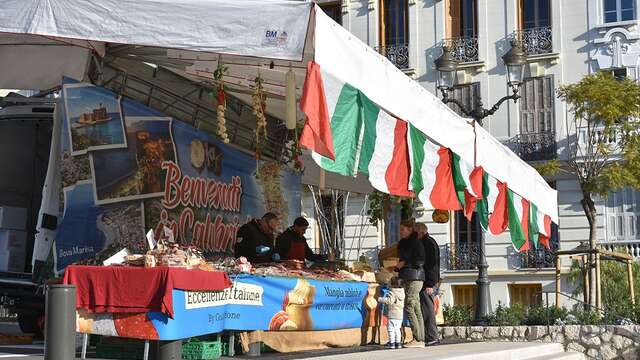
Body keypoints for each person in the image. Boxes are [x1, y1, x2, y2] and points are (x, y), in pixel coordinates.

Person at [395, 218, 426, 348]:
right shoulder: (405, 243)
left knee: (409, 305)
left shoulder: (415, 243)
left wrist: (404, 263)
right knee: (416, 307)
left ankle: (417, 339)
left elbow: (420, 261)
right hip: (409, 277)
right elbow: (403, 259)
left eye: (403, 229)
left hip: (415, 277)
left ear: (410, 229)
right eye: (400, 229)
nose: (401, 232)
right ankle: (420, 338)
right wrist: (398, 268)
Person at [415, 222, 440, 346]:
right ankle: (429, 335)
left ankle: (432, 336)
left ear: (420, 232)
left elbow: (431, 265)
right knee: (426, 308)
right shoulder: (428, 242)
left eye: (415, 232)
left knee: (427, 308)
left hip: (427, 282)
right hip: (427, 281)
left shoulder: (428, 244)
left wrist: (430, 283)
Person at [377, 277, 405, 349]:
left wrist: (380, 299)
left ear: (392, 285)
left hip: (393, 314)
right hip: (400, 315)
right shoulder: (402, 292)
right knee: (397, 329)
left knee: (391, 329)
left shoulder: (392, 292)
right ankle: (398, 343)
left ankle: (392, 343)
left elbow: (389, 301)